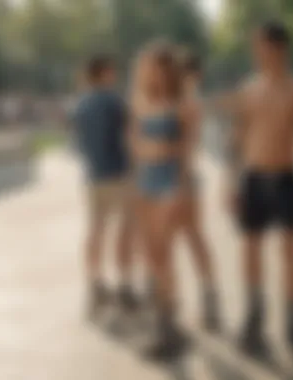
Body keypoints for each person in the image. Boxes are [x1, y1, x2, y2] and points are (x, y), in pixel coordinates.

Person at [220, 22, 293, 371]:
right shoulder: (248, 89)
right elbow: (235, 140)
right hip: (253, 177)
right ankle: (254, 319)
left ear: (279, 48)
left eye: (260, 45)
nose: (255, 51)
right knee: (250, 249)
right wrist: (229, 182)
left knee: (292, 252)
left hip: (287, 178)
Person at [129, 42, 193, 361]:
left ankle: (166, 327)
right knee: (150, 254)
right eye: (147, 66)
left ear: (167, 69)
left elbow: (184, 152)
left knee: (164, 254)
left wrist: (181, 191)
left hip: (168, 184)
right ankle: (166, 317)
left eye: (156, 65)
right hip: (144, 183)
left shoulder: (179, 103)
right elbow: (133, 144)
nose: (151, 71)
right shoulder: (139, 101)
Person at [74, 54, 137, 318]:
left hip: (93, 176)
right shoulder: (115, 102)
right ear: (105, 73)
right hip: (119, 174)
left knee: (95, 231)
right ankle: (124, 286)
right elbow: (130, 136)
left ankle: (95, 284)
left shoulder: (81, 105)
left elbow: (78, 143)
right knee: (124, 232)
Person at [176, 49, 221, 331]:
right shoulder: (185, 100)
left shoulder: (189, 102)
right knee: (191, 239)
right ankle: (207, 299)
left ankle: (210, 300)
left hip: (183, 179)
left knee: (193, 238)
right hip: (180, 177)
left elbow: (189, 145)